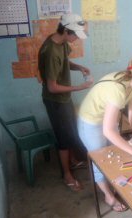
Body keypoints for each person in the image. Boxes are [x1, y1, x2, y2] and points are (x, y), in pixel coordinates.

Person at [78, 57, 132, 212]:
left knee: (116, 152)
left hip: (106, 120)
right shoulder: (117, 89)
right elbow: (108, 130)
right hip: (90, 122)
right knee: (100, 159)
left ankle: (114, 184)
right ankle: (108, 196)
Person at [38, 13, 93, 191]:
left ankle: (73, 161)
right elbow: (52, 87)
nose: (76, 39)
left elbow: (64, 63)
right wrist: (80, 87)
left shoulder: (60, 42)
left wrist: (79, 67)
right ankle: (66, 175)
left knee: (70, 131)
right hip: (55, 101)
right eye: (75, 35)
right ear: (67, 31)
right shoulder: (50, 51)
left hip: (64, 99)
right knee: (63, 138)